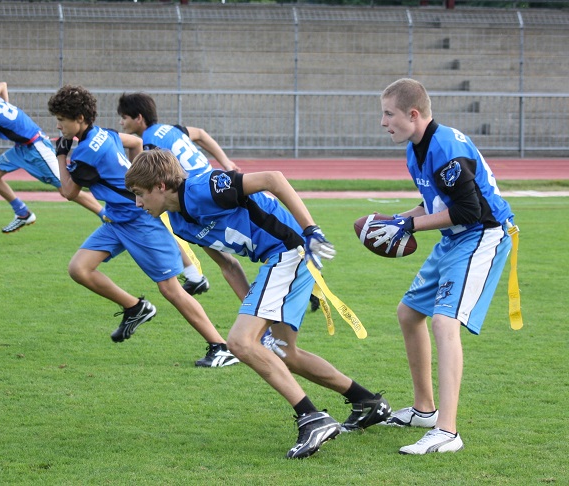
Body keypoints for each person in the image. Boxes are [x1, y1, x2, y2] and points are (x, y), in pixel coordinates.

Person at [125, 149, 391, 458]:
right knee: (283, 352)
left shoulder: (204, 187)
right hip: (278, 258)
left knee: (238, 342)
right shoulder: (179, 223)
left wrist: (311, 229)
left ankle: (312, 417)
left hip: (290, 249)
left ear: (160, 185)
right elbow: (229, 267)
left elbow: (273, 179)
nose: (137, 203)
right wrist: (257, 325)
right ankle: (367, 402)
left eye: (139, 194)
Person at [369, 78, 515, 455]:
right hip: (455, 237)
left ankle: (448, 431)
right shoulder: (415, 148)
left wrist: (409, 225)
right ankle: (424, 411)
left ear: (413, 114)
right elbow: (435, 204)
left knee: (443, 321)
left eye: (389, 114)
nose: (383, 122)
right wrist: (394, 219)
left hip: (483, 234)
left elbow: (469, 210)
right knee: (408, 313)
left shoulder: (446, 147)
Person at [47, 85, 238, 368]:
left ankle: (220, 347)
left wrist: (61, 155)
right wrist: (138, 182)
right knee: (79, 269)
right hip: (116, 219)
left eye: (62, 119)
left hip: (138, 221)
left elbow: (69, 192)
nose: (58, 124)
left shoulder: (86, 151)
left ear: (79, 119)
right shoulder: (106, 134)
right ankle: (135, 307)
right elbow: (135, 145)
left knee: (171, 289)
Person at [117, 92, 245, 297]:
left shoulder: (150, 140)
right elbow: (201, 134)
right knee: (248, 244)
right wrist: (226, 162)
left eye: (124, 117)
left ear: (139, 117)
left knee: (225, 260)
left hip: (196, 199)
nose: (121, 123)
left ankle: (194, 275)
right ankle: (194, 276)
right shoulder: (172, 129)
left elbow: (147, 177)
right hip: (212, 185)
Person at [0, 81, 102, 233]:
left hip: (35, 146)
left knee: (66, 189)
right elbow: (2, 84)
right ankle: (22, 213)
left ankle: (106, 215)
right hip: (22, 147)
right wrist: (7, 105)